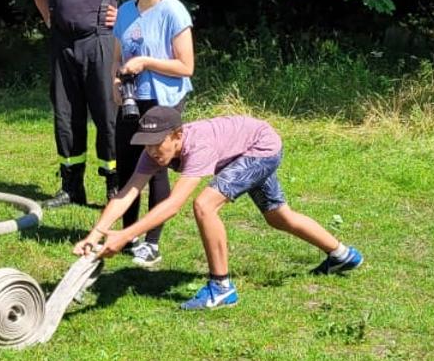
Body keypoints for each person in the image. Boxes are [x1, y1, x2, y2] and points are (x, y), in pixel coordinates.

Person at [72, 107, 363, 311]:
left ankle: (222, 289)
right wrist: (95, 234)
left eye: (157, 144)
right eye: (146, 145)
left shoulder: (199, 145)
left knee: (204, 205)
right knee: (279, 217)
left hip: (261, 148)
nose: (151, 151)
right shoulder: (154, 151)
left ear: (177, 135)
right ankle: (342, 255)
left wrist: (125, 236)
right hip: (247, 146)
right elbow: (126, 193)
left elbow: (174, 205)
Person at [30, 0, 129, 208]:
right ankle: (71, 186)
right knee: (66, 115)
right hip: (63, 44)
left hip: (100, 42)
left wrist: (125, 14)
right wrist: (47, 16)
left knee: (107, 115)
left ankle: (114, 184)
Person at [109, 0, 195, 268]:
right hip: (132, 97)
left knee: (156, 167)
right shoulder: (127, 10)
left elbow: (186, 66)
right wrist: (116, 84)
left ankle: (152, 242)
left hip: (164, 99)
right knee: (127, 164)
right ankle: (127, 233)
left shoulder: (173, 10)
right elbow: (117, 57)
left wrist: (146, 61)